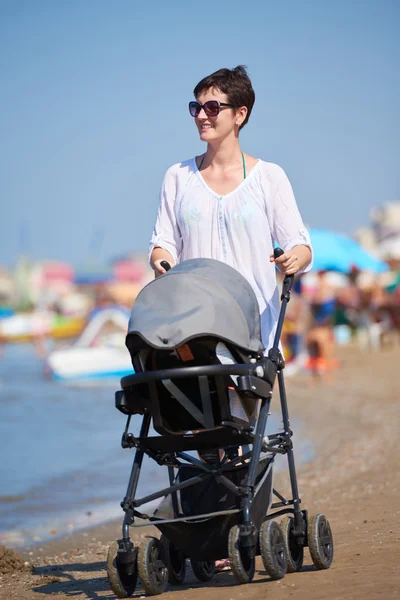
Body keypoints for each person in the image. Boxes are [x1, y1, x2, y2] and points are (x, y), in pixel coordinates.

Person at [149, 65, 312, 571]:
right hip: (192, 325)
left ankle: (227, 530)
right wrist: (161, 263)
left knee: (241, 429)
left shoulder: (269, 177)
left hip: (251, 328)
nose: (202, 115)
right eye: (196, 106)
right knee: (202, 431)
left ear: (240, 115)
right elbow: (161, 242)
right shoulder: (178, 176)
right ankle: (210, 530)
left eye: (213, 107)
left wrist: (293, 260)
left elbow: (302, 243)